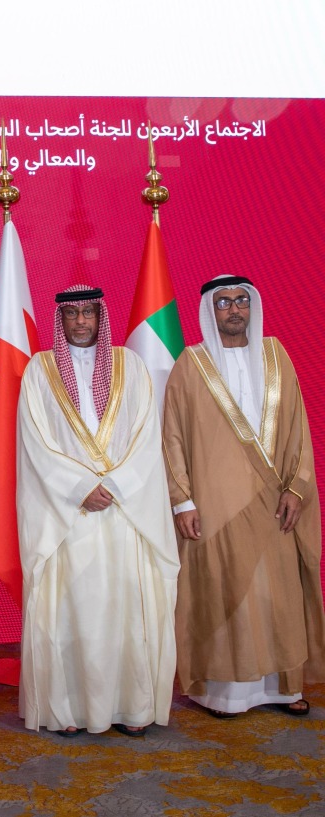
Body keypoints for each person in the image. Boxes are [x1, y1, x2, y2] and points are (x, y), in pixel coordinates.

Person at [16, 285, 179, 737]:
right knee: (71, 613)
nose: (81, 322)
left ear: (100, 315)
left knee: (127, 612)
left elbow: (147, 435)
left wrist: (117, 486)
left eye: (89, 312)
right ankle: (67, 711)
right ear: (61, 319)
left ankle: (131, 708)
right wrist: (80, 488)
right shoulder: (39, 370)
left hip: (124, 514)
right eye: (72, 314)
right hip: (69, 518)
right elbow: (35, 442)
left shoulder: (131, 365)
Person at [163, 275, 325, 718]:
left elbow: (299, 429)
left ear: (252, 306)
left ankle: (283, 689)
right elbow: (171, 437)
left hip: (275, 502)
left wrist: (297, 487)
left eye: (240, 301)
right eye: (223, 303)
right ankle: (226, 695)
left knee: (278, 593)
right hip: (215, 504)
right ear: (209, 312)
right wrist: (182, 500)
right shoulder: (191, 365)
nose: (234, 310)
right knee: (227, 591)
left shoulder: (277, 356)